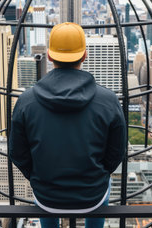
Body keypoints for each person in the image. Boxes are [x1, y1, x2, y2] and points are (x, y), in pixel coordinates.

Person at [9, 22, 126, 228]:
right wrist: (100, 173)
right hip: (93, 196)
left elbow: (18, 152)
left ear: (49, 55)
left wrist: (37, 176)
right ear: (84, 55)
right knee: (106, 183)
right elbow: (116, 152)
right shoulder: (108, 101)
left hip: (46, 196)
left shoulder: (26, 102)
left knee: (45, 205)